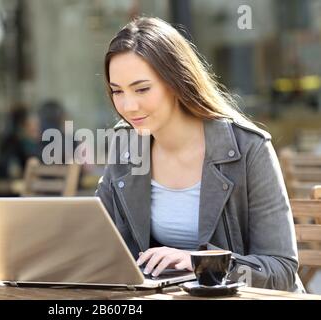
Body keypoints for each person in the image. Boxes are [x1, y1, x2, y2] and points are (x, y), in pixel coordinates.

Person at [95, 17, 304, 292]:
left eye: (142, 89)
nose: (128, 105)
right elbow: (98, 245)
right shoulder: (127, 145)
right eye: (117, 92)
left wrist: (199, 263)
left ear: (177, 82)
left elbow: (280, 271)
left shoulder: (249, 148)